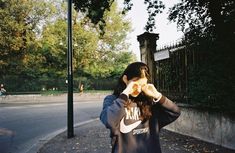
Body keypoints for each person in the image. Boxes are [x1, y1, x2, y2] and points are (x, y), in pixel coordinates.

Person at [100, 62, 181, 153]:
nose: (138, 89)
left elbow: (175, 112)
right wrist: (125, 94)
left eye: (142, 85)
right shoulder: (113, 100)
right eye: (135, 84)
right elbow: (109, 120)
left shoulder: (149, 102)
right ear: (125, 79)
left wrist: (158, 96)